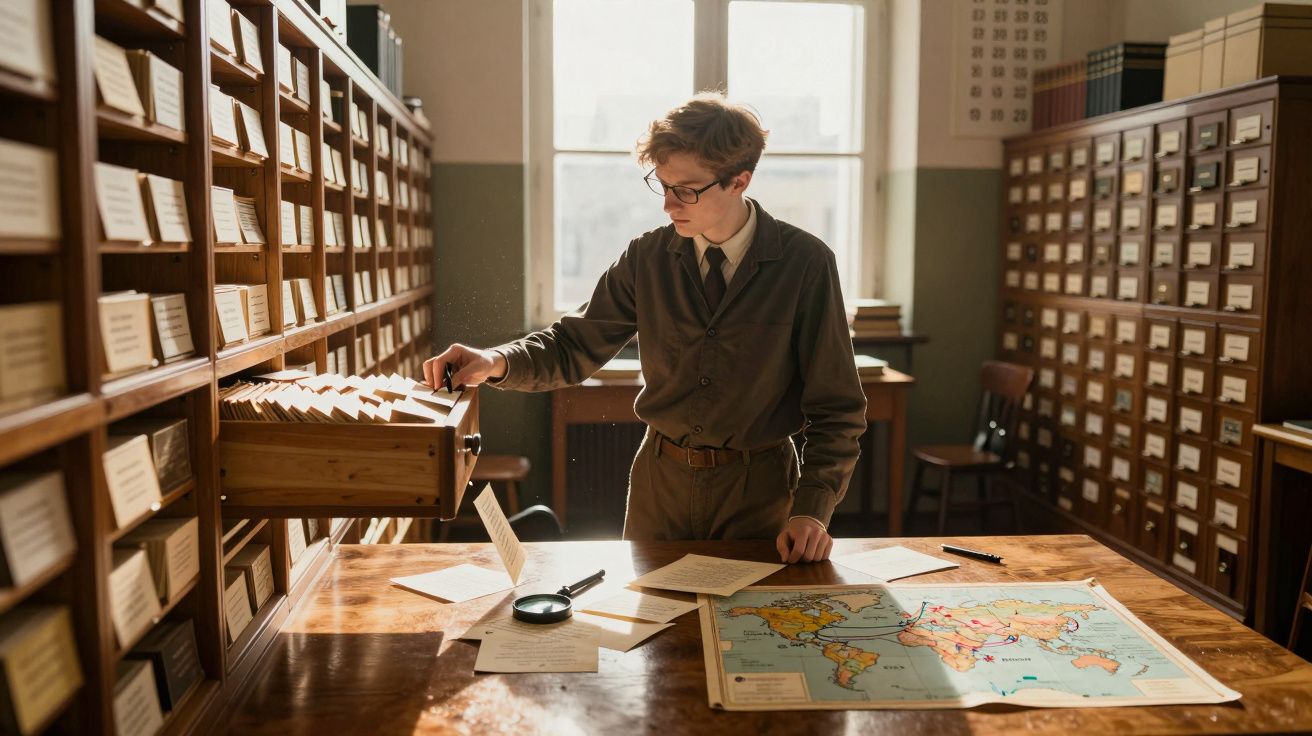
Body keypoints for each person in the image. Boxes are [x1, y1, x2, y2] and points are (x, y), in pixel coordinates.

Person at [424, 92, 866, 563]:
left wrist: (813, 510)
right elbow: (574, 344)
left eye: (687, 190)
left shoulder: (806, 264)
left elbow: (837, 409)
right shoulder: (647, 258)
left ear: (740, 181)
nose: (669, 204)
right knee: (652, 629)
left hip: (760, 492)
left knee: (749, 630)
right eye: (663, 185)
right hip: (661, 486)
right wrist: (494, 361)